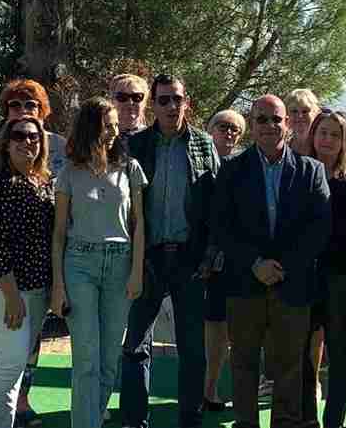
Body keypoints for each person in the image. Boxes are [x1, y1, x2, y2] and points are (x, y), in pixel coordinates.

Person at [212, 95, 331, 428]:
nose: (269, 126)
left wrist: (283, 268)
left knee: (290, 366)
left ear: (288, 124)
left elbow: (319, 229)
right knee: (244, 363)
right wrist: (255, 263)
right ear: (252, 125)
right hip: (244, 283)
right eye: (261, 119)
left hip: (293, 285)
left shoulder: (312, 171)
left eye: (275, 119)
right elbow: (221, 225)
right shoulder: (232, 169)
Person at [0, 79, 68, 426]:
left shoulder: (46, 180)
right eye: (19, 136)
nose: (27, 141)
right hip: (6, 287)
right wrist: (10, 294)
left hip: (37, 284)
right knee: (7, 363)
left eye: (33, 135)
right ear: (6, 144)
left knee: (15, 365)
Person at [121, 75, 220, 428]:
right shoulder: (137, 146)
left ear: (186, 102)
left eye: (176, 99)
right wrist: (135, 257)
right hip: (147, 259)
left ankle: (189, 419)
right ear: (154, 105)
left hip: (191, 261)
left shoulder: (205, 145)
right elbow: (124, 208)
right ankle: (135, 420)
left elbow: (216, 208)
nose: (171, 106)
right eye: (163, 100)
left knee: (193, 350)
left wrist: (209, 256)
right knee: (135, 346)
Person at [51, 97, 146, 428]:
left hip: (120, 266)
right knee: (87, 359)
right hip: (79, 265)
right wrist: (58, 286)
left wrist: (136, 271)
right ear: (91, 127)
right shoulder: (68, 173)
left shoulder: (130, 168)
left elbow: (139, 226)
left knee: (108, 362)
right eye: (108, 125)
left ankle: (90, 420)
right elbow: (60, 233)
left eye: (116, 125)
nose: (115, 131)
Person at [304, 110, 346, 428]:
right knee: (302, 355)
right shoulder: (297, 174)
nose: (327, 140)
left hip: (341, 277)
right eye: (322, 133)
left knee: (339, 356)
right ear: (313, 136)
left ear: (343, 142)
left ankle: (334, 422)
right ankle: (306, 420)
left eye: (335, 135)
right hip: (305, 276)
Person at [203, 109, 246, 411]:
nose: (228, 132)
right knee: (206, 330)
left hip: (234, 263)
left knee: (229, 331)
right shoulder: (197, 163)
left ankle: (215, 389)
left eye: (235, 128)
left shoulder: (244, 166)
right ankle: (202, 390)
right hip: (197, 260)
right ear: (210, 129)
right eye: (222, 126)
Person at [285, 88, 321, 157]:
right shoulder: (282, 146)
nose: (300, 116)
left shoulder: (322, 145)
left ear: (315, 113)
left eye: (305, 111)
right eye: (294, 111)